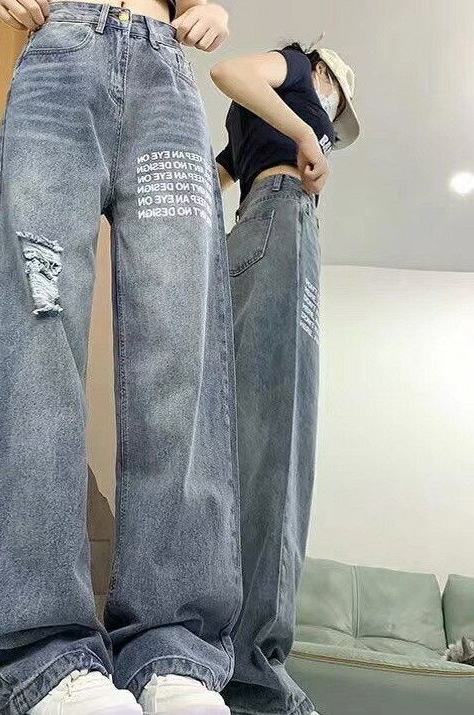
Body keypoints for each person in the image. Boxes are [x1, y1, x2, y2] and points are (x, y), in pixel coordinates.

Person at [0, 0, 242, 715]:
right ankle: (44, 657)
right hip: (58, 66)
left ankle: (173, 652)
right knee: (36, 346)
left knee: (180, 358)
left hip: (167, 85)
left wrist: (211, 13)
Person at [210, 45, 360, 715]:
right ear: (323, 75)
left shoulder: (247, 126)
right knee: (281, 442)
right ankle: (253, 674)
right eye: (336, 104)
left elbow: (211, 176)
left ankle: (204, 653)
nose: (331, 121)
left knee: (232, 445)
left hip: (244, 235)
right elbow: (229, 71)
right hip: (281, 221)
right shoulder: (298, 66)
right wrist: (305, 131)